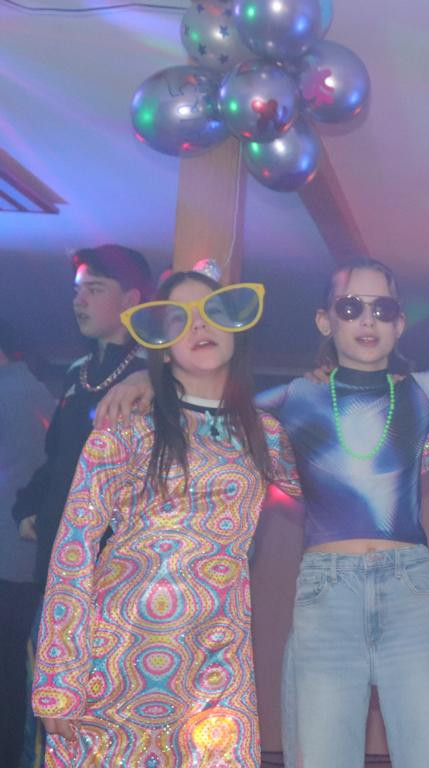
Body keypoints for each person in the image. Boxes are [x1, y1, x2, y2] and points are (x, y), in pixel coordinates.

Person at [96, 258, 429, 768]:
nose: (366, 320)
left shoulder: (419, 391)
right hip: (327, 596)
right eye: (350, 308)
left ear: (399, 324)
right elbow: (204, 404)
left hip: (409, 593)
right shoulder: (296, 395)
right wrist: (147, 379)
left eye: (382, 309)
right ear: (326, 321)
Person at [31, 271, 300, 767]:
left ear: (237, 327)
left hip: (216, 663)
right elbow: (74, 550)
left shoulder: (265, 434)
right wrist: (58, 677)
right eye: (180, 319)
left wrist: (339, 392)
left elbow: (335, 487)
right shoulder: (125, 428)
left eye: (213, 312)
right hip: (115, 657)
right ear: (161, 342)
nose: (199, 325)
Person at [12, 244, 152, 767]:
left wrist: (156, 377)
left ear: (132, 300)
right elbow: (56, 462)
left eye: (94, 289)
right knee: (44, 710)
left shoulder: (155, 379)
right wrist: (29, 509)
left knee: (105, 712)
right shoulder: (76, 373)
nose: (79, 301)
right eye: (77, 291)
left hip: (117, 577)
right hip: (57, 569)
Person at [0, 321, 55, 767]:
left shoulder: (9, 393)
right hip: (27, 558)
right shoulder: (37, 391)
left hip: (8, 559)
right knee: (16, 672)